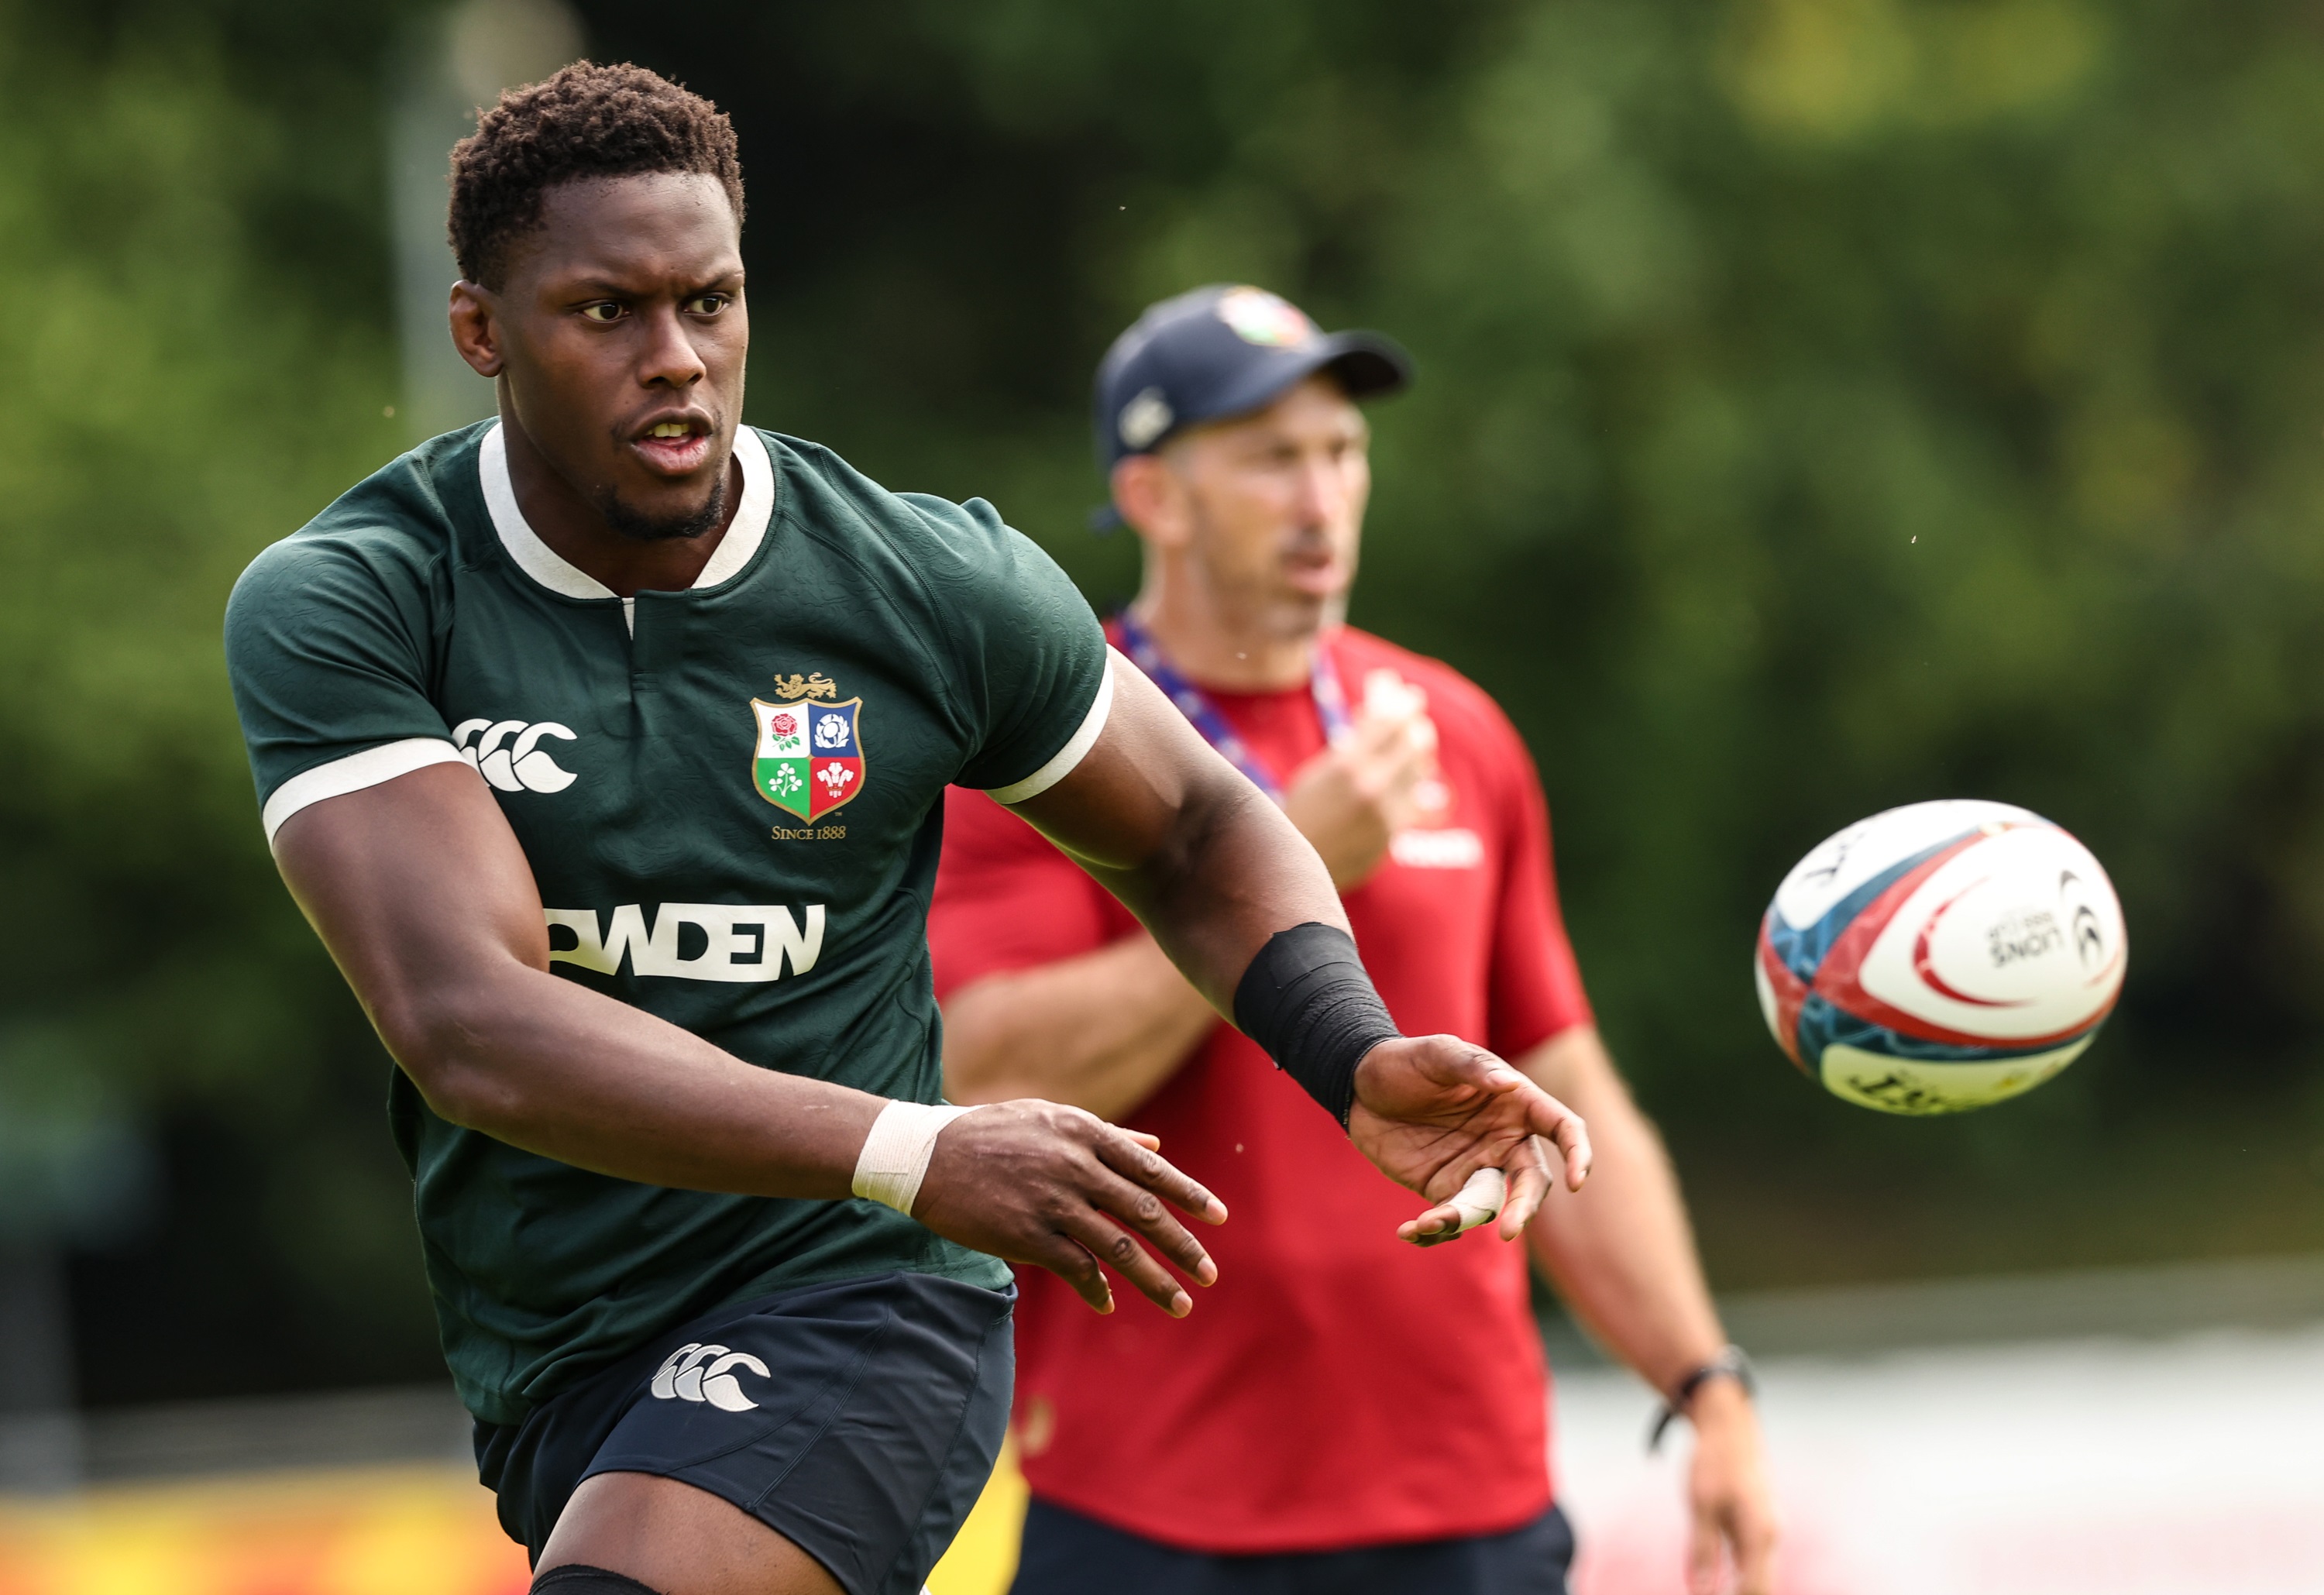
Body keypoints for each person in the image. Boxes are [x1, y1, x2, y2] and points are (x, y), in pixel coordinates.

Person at [222, 67, 1596, 1595]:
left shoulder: (921, 582)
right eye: (608, 313)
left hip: (860, 1298)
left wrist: (1345, 1048)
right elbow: (469, 1024)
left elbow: (1203, 826)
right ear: (482, 330)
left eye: (712, 302)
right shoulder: (355, 600)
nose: (678, 361)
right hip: (563, 1349)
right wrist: (921, 1146)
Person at [929, 285, 1780, 1595]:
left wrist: (1705, 1382)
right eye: (1272, 458)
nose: (1321, 496)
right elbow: (979, 1082)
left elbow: (1570, 1094)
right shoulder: (1043, 751)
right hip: (1154, 1513)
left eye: (1342, 451)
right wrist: (1281, 870)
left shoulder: (1455, 732)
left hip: (1471, 1504)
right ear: (1153, 497)